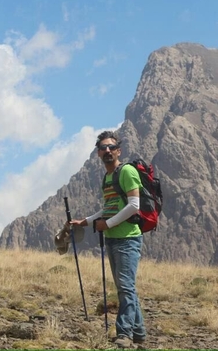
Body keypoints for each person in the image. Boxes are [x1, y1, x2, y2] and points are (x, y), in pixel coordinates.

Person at [71, 131, 146, 348]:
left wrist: (108, 224)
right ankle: (139, 333)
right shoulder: (108, 177)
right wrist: (84, 222)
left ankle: (124, 334)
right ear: (98, 153)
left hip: (127, 239)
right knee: (126, 287)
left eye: (111, 147)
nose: (107, 151)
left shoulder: (127, 172)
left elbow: (134, 205)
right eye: (103, 148)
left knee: (125, 287)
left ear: (118, 150)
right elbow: (108, 208)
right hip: (113, 238)